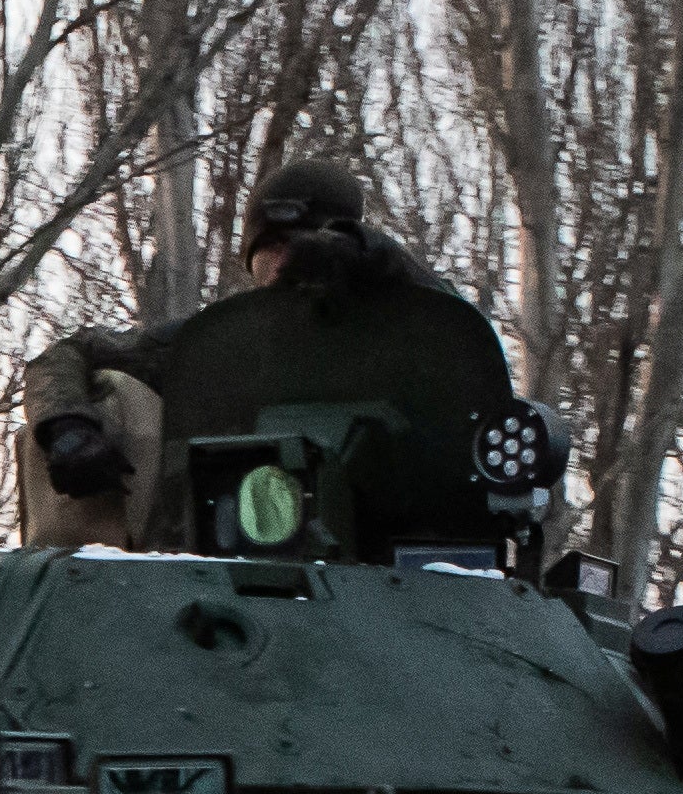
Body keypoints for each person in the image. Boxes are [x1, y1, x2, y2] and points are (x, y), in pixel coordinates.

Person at [42, 161, 524, 556]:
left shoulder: (410, 335)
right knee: (109, 388)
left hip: (401, 562)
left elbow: (461, 349)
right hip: (225, 550)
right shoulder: (218, 345)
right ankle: (77, 575)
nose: (281, 261)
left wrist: (374, 255)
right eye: (269, 245)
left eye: (297, 245)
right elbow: (69, 354)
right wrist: (66, 425)